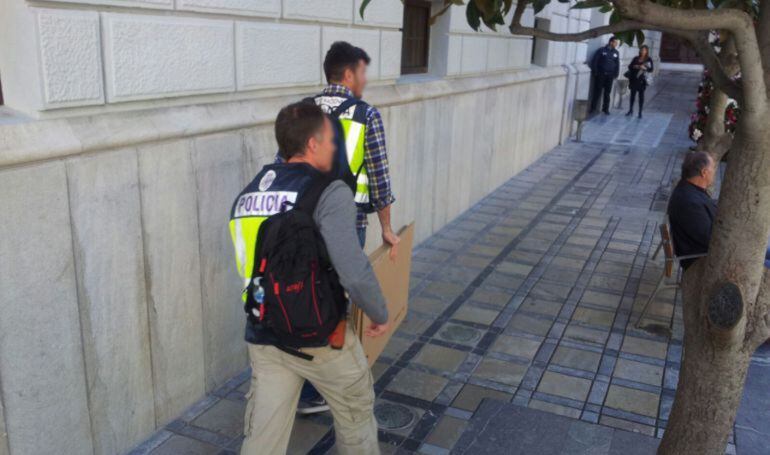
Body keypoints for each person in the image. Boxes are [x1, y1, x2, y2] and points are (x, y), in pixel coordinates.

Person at [231, 101, 389, 454]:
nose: (335, 148)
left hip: (264, 336)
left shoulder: (248, 194)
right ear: (314, 144)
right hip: (323, 339)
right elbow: (353, 270)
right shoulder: (330, 192)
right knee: (356, 417)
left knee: (263, 437)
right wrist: (379, 312)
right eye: (332, 141)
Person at [279, 41, 399, 414]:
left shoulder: (303, 111)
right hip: (348, 221)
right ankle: (318, 391)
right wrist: (388, 228)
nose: (365, 79)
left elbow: (285, 162)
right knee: (334, 301)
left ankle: (295, 386)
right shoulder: (365, 115)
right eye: (363, 71)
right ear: (348, 74)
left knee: (300, 295)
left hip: (298, 220)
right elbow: (378, 176)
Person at [668, 151, 770, 269]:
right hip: (705, 259)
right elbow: (710, 239)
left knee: (763, 250)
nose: (715, 172)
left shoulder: (690, 190)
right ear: (704, 172)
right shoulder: (689, 202)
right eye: (713, 168)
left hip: (716, 251)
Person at [590, 36, 621, 115]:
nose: (616, 44)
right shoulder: (601, 50)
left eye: (617, 43)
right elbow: (595, 61)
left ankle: (605, 109)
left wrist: (616, 73)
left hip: (610, 75)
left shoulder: (616, 53)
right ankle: (593, 108)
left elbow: (617, 64)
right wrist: (595, 72)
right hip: (601, 74)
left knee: (607, 93)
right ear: (611, 42)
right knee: (597, 92)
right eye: (615, 42)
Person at [626, 45, 654, 118]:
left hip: (642, 80)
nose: (643, 51)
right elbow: (630, 66)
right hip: (634, 79)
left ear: (647, 51)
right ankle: (630, 110)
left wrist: (644, 68)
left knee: (641, 96)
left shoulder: (648, 59)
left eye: (644, 50)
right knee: (632, 95)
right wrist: (636, 66)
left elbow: (651, 69)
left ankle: (640, 112)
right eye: (642, 50)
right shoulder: (636, 58)